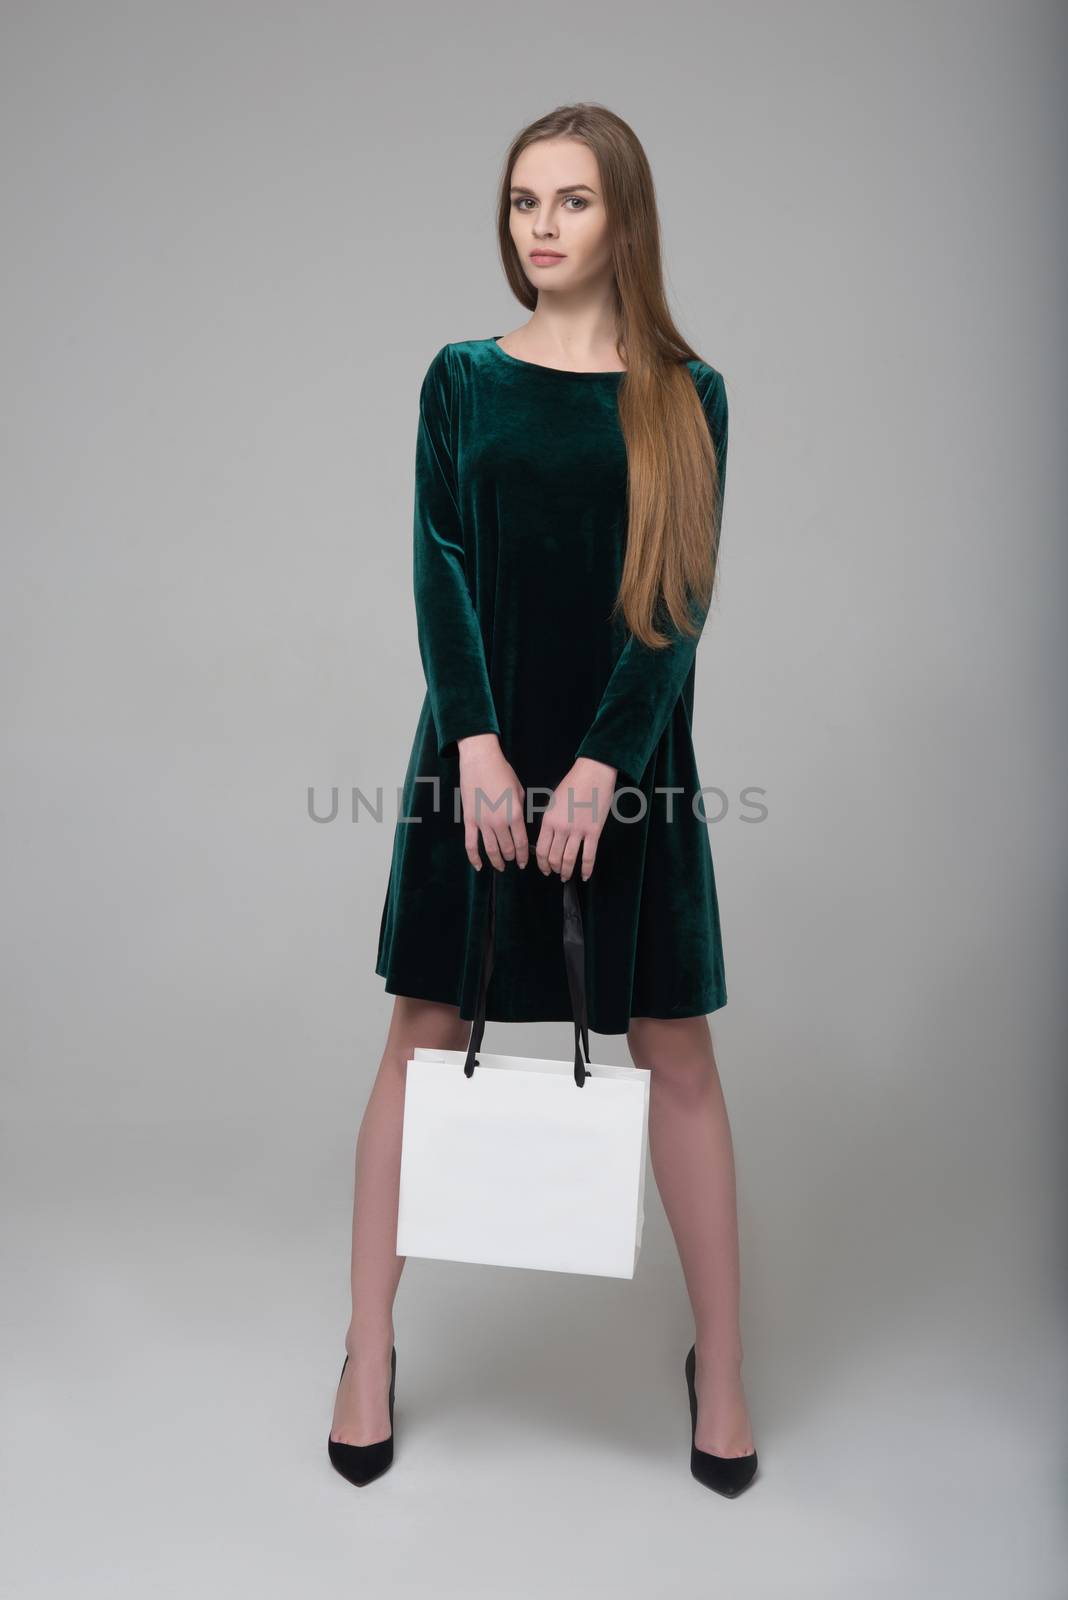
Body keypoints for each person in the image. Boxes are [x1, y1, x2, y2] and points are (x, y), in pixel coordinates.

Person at [328, 102, 758, 1497]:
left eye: (571, 201)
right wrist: (479, 746)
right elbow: (438, 565)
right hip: (478, 768)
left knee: (675, 1052)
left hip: (629, 775)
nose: (544, 227)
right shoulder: (460, 380)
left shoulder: (689, 395)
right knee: (419, 1034)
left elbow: (677, 603)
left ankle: (728, 1370)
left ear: (623, 218)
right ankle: (365, 1349)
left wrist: (603, 765)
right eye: (525, 202)